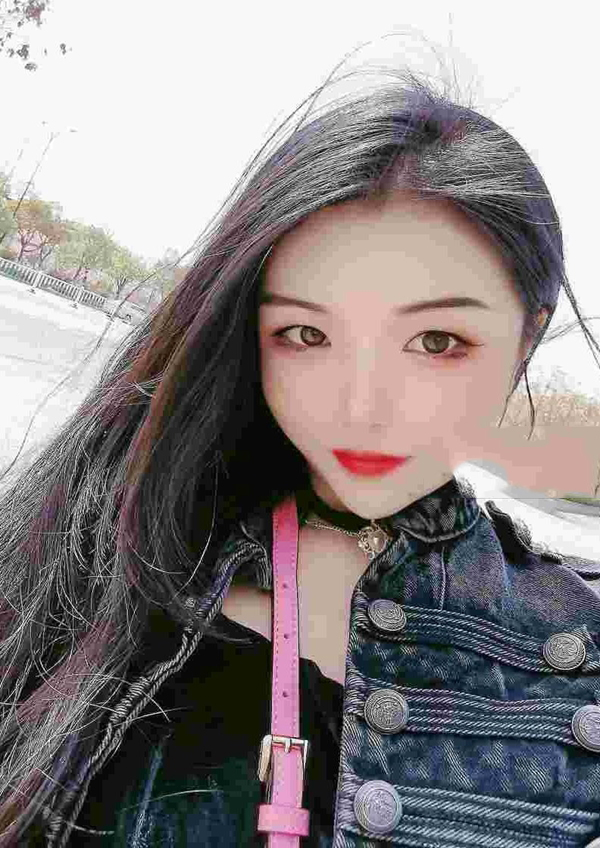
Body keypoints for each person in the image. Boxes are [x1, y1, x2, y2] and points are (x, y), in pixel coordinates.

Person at [1, 64, 600, 848]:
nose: (361, 410)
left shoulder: (572, 651)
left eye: (437, 341)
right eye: (306, 334)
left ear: (526, 337)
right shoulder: (100, 543)